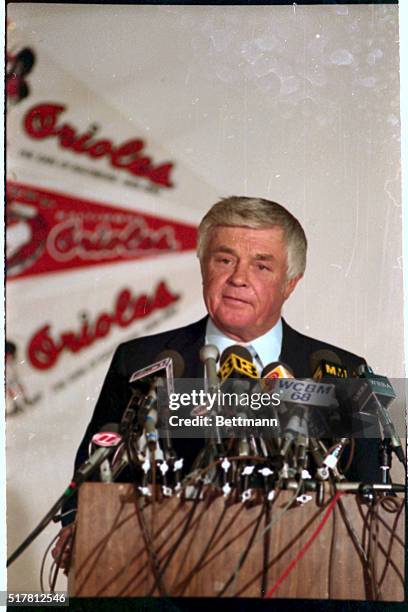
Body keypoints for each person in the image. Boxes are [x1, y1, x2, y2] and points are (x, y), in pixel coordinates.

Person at [52, 196, 381, 568]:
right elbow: (96, 465)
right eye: (224, 260)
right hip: (162, 577)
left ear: (290, 283)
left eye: (261, 266)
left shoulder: (338, 372)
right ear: (204, 267)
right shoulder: (144, 362)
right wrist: (76, 522)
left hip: (304, 579)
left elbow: (372, 494)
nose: (239, 278)